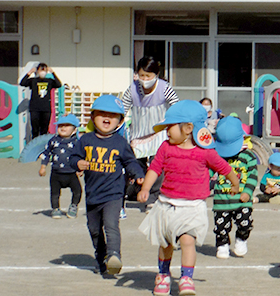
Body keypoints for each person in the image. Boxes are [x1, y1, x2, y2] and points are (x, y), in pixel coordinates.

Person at [137, 101, 237, 296]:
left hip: (192, 207)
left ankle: (186, 278)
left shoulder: (205, 152)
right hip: (167, 204)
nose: (166, 131)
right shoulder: (166, 148)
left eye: (170, 126)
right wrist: (146, 188)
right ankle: (164, 275)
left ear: (188, 128)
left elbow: (224, 168)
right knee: (165, 243)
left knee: (187, 241)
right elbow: (155, 169)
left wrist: (234, 183)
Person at [71, 96, 145, 276]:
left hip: (113, 194)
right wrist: (78, 163)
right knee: (94, 229)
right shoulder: (85, 140)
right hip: (92, 194)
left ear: (119, 121)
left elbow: (131, 162)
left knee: (111, 225)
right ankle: (101, 258)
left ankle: (114, 255)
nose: (106, 118)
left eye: (112, 115)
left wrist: (138, 174)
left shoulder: (120, 143)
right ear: (93, 117)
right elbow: (73, 157)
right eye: (102, 114)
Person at [121, 56, 179, 203]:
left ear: (156, 75)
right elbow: (122, 107)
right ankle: (137, 191)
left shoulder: (164, 87)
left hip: (158, 131)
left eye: (148, 76)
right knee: (136, 165)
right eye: (142, 75)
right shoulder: (133, 88)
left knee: (157, 164)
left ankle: (154, 196)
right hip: (138, 132)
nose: (145, 79)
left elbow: (176, 106)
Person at [212, 116, 258, 259]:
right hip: (221, 200)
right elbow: (206, 172)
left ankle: (241, 239)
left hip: (242, 199)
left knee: (246, 222)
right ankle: (222, 245)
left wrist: (248, 192)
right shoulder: (216, 156)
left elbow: (253, 175)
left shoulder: (248, 156)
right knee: (221, 227)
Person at [38, 113, 82, 219]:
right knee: (55, 193)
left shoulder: (76, 142)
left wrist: (80, 168)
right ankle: (55, 209)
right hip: (56, 173)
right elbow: (47, 154)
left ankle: (73, 206)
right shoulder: (53, 141)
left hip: (71, 173)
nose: (63, 128)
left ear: (74, 130)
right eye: (61, 125)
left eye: (67, 125)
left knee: (78, 191)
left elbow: (80, 155)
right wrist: (43, 167)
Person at [20, 63, 62, 138]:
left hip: (46, 109)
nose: (42, 71)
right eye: (41, 69)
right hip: (35, 108)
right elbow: (22, 83)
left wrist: (53, 72)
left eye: (44, 70)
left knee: (44, 129)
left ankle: (43, 146)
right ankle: (34, 145)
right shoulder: (33, 81)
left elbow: (59, 84)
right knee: (35, 129)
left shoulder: (49, 81)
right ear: (37, 71)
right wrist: (30, 72)